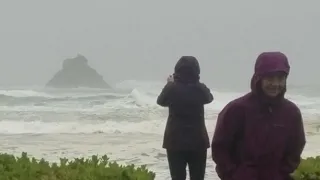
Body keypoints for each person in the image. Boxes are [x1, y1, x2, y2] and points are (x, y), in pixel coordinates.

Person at [211, 51, 306, 180]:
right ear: (258, 78)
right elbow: (220, 147)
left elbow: (296, 147)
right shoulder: (236, 109)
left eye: (280, 79)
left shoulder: (291, 112)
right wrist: (233, 174)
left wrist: (282, 172)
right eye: (270, 78)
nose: (275, 84)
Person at [157, 56, 214, 180]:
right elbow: (209, 98)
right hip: (198, 141)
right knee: (198, 177)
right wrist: (197, 82)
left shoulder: (172, 88)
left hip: (174, 141)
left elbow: (161, 101)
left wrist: (169, 84)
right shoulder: (199, 88)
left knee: (177, 177)